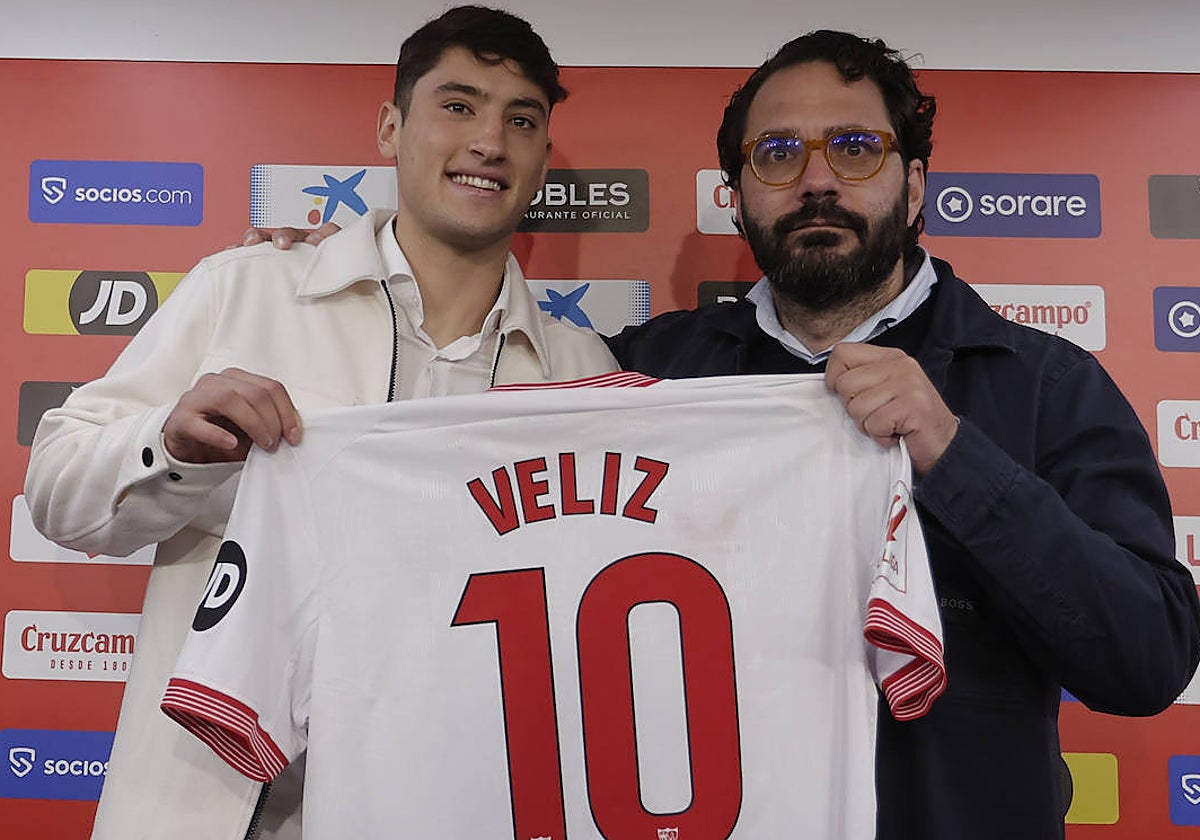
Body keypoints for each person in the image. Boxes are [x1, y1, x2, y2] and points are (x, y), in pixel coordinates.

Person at [254, 28, 1200, 840]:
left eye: (857, 149)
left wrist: (955, 453)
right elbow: (446, 462)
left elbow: (1147, 660)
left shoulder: (1045, 386)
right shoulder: (636, 375)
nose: (817, 181)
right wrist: (351, 269)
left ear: (914, 188)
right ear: (738, 195)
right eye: (778, 156)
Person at [23, 7, 617, 840]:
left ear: (542, 159)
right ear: (389, 127)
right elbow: (56, 490)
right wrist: (173, 442)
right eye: (458, 104)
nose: (490, 140)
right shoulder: (249, 288)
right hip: (224, 808)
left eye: (522, 119)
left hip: (461, 806)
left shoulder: (582, 367)